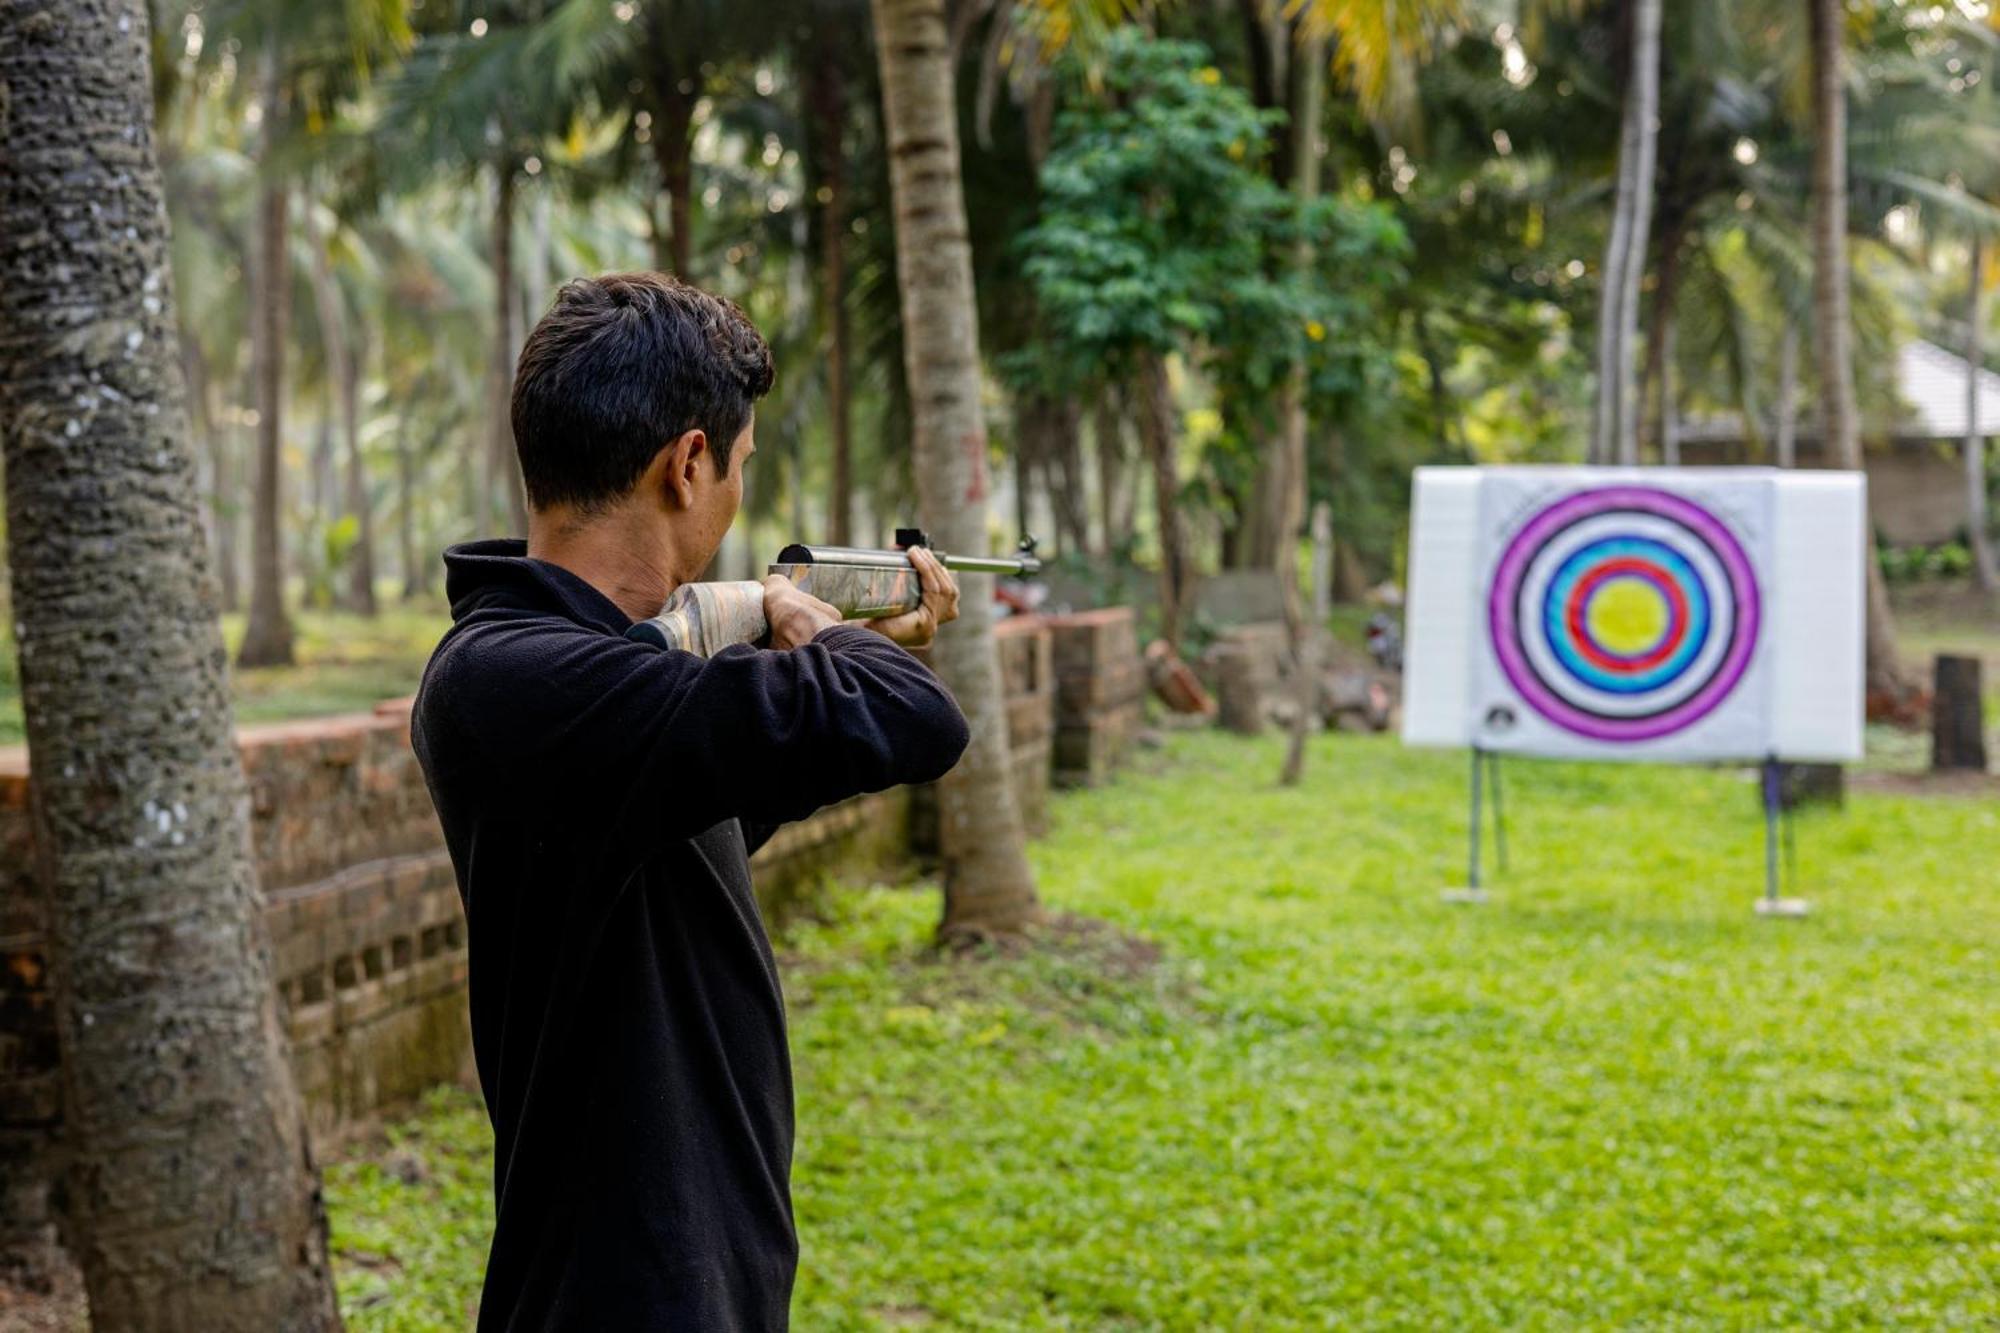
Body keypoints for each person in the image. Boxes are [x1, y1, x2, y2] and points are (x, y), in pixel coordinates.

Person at [411, 272, 971, 1331]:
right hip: (624, 1293)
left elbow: (712, 806)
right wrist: (809, 623)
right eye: (739, 465)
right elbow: (922, 718)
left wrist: (795, 640)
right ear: (688, 462)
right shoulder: (519, 676)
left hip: (693, 1273)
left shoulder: (583, 682)